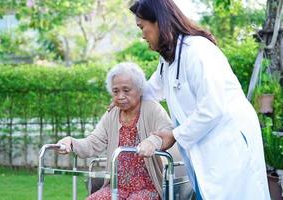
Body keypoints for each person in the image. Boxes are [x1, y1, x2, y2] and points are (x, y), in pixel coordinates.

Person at [129, 0, 271, 199]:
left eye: (142, 27)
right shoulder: (169, 58)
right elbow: (152, 90)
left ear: (159, 22)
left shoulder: (198, 51)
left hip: (228, 141)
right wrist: (127, 96)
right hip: (207, 148)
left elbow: (212, 108)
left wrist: (174, 135)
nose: (142, 34)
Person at [56, 62, 173, 200]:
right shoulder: (112, 114)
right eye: (116, 91)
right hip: (117, 187)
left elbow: (168, 132)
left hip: (148, 187)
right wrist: (71, 142)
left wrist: (153, 142)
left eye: (126, 90)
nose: (120, 96)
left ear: (140, 89)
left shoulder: (152, 109)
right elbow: (93, 143)